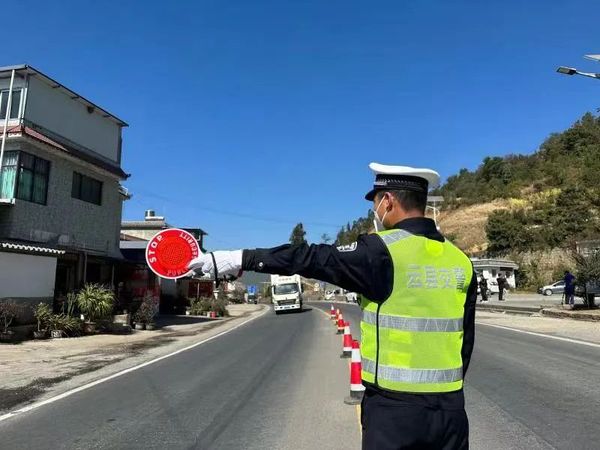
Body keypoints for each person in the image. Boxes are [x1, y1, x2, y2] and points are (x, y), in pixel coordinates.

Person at [188, 162, 477, 450]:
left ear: (387, 201)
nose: (375, 211)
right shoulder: (459, 260)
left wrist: (240, 259)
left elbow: (311, 257)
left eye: (375, 202)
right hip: (451, 411)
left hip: (395, 413)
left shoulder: (382, 251)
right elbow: (465, 341)